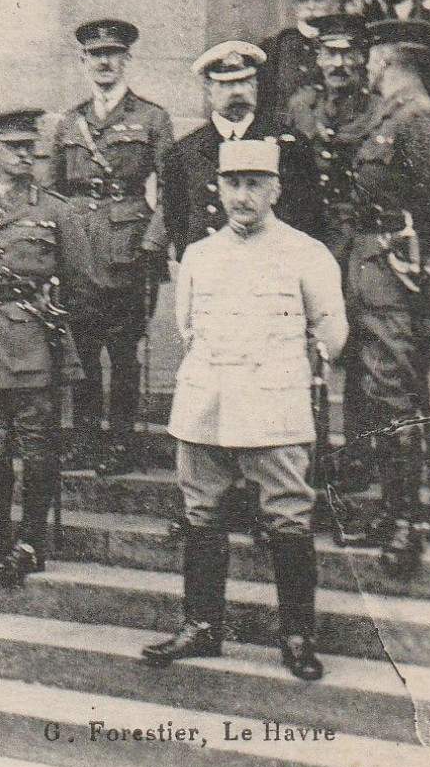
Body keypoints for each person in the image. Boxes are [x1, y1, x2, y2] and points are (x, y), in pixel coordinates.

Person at [143, 139, 346, 681]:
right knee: (201, 514)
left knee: (288, 517)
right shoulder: (199, 255)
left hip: (273, 407)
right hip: (206, 404)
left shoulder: (307, 253)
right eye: (233, 183)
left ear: (276, 189)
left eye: (255, 184)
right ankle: (201, 626)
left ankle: (297, 634)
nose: (243, 196)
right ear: (219, 188)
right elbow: (188, 329)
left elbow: (333, 335)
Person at [0, 110, 88, 582]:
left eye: (31, 146)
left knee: (37, 444)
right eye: (15, 147)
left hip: (32, 338)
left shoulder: (56, 211)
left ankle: (30, 542)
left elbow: (79, 278)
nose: (27, 155)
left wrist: (52, 314)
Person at [347, 19, 430, 576]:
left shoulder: (419, 117)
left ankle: (405, 520)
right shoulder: (386, 115)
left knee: (394, 392)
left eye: (370, 55)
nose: (365, 65)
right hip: (371, 268)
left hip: (399, 273)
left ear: (389, 59)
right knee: (376, 389)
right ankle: (391, 507)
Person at [43, 18, 174, 476]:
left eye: (112, 54)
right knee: (81, 351)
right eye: (95, 55)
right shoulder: (67, 122)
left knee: (122, 353)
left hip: (128, 251)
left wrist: (151, 246)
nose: (104, 62)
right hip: (77, 252)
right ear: (83, 62)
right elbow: (53, 191)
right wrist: (53, 248)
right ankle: (83, 438)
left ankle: (121, 440)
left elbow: (171, 191)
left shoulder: (152, 118)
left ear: (126, 61)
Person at [285, 13, 381, 492]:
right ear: (317, 57)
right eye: (331, 53)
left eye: (349, 53)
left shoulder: (378, 109)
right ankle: (308, 452)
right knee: (304, 349)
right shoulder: (300, 108)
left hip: (359, 244)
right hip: (310, 241)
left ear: (363, 58)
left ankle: (357, 455)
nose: (339, 63)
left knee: (359, 348)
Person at [151, 40, 318, 261]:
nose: (237, 92)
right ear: (208, 89)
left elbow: (307, 216)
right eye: (226, 84)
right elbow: (176, 221)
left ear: (257, 85)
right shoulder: (184, 153)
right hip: (212, 269)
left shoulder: (289, 145)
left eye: (245, 82)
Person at [259, 0, 343, 128]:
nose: (311, 5)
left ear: (334, 1)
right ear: (294, 4)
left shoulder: (344, 48)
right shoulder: (275, 47)